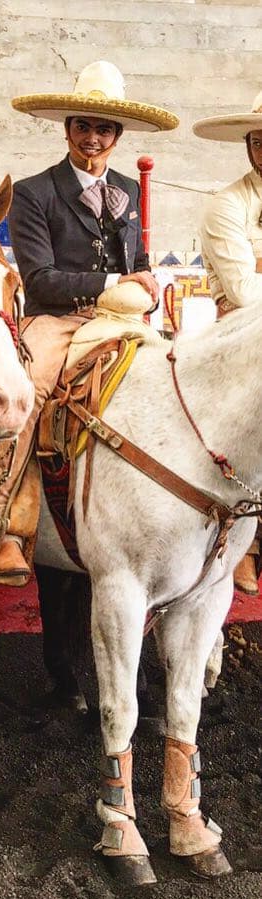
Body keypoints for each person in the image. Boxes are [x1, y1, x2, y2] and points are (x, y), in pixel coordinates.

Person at [0, 61, 177, 584]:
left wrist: (145, 279)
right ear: (67, 129)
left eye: (104, 129)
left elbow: (135, 260)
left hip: (119, 320)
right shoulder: (33, 192)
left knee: (176, 380)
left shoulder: (129, 190)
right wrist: (114, 282)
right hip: (57, 320)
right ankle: (5, 525)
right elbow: (41, 279)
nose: (93, 138)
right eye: (83, 126)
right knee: (24, 396)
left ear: (118, 136)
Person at [194, 90, 262, 595]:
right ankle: (247, 541)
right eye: (259, 142)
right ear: (249, 145)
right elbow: (244, 291)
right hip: (240, 341)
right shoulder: (227, 205)